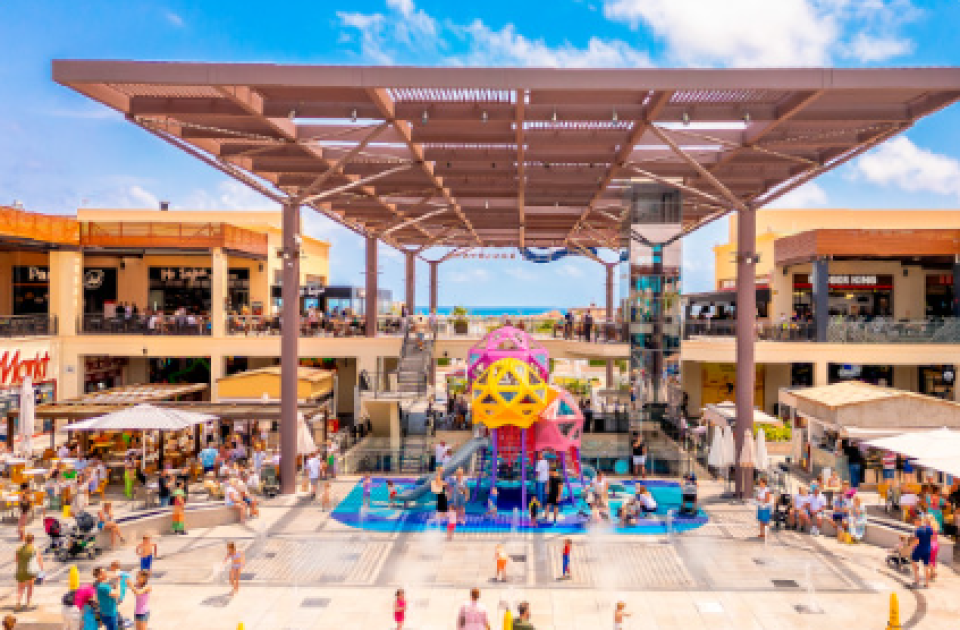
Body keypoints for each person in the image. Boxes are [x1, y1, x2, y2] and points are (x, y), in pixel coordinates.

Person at [15, 533, 43, 611]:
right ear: (33, 540)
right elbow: (39, 560)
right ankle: (28, 603)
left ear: (25, 540)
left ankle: (18, 602)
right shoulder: (35, 549)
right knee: (30, 587)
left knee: (20, 588)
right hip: (31, 571)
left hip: (21, 571)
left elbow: (16, 560)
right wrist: (41, 570)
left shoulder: (19, 548)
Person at [909, 515, 934, 589]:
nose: (914, 523)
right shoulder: (929, 528)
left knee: (913, 561)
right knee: (926, 566)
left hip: (919, 549)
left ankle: (917, 579)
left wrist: (911, 546)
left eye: (915, 522)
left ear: (919, 521)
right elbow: (932, 538)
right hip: (927, 549)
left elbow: (917, 541)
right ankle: (927, 584)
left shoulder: (918, 530)